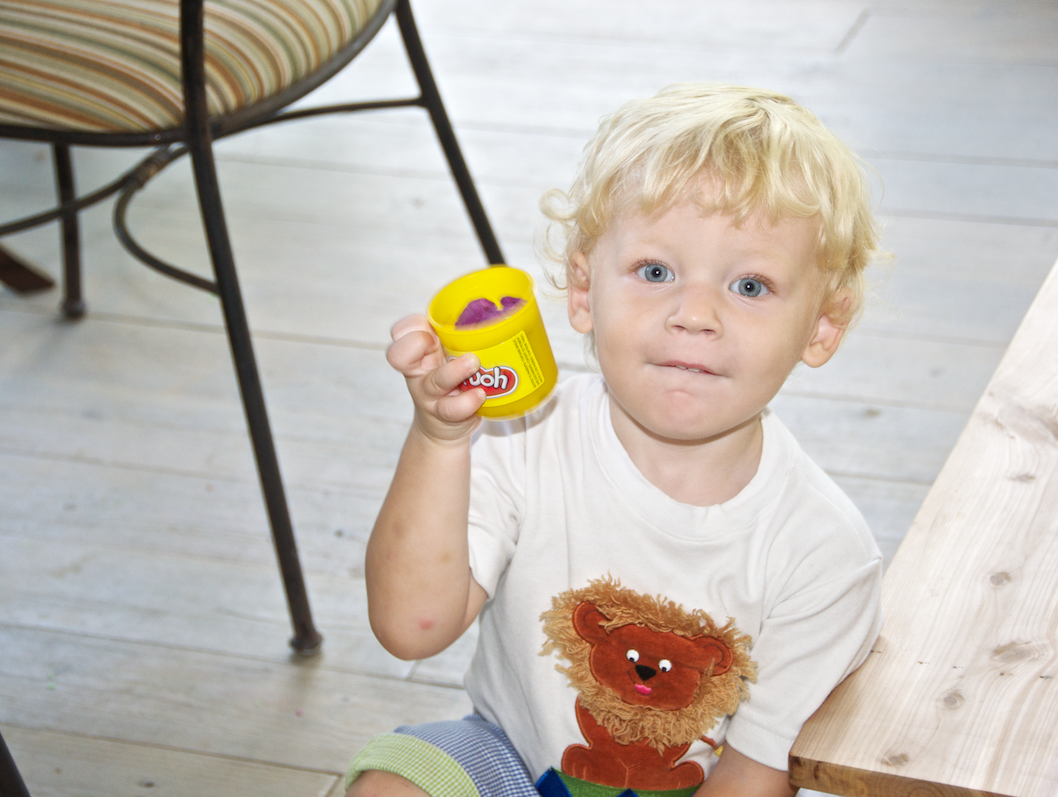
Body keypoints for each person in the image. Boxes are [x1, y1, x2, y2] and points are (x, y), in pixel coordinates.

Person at [346, 83, 884, 797]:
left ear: (821, 326)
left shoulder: (824, 553)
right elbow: (411, 627)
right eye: (655, 272)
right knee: (391, 784)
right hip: (510, 755)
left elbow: (752, 777)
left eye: (750, 286)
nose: (694, 313)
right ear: (583, 289)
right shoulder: (521, 437)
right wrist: (439, 442)